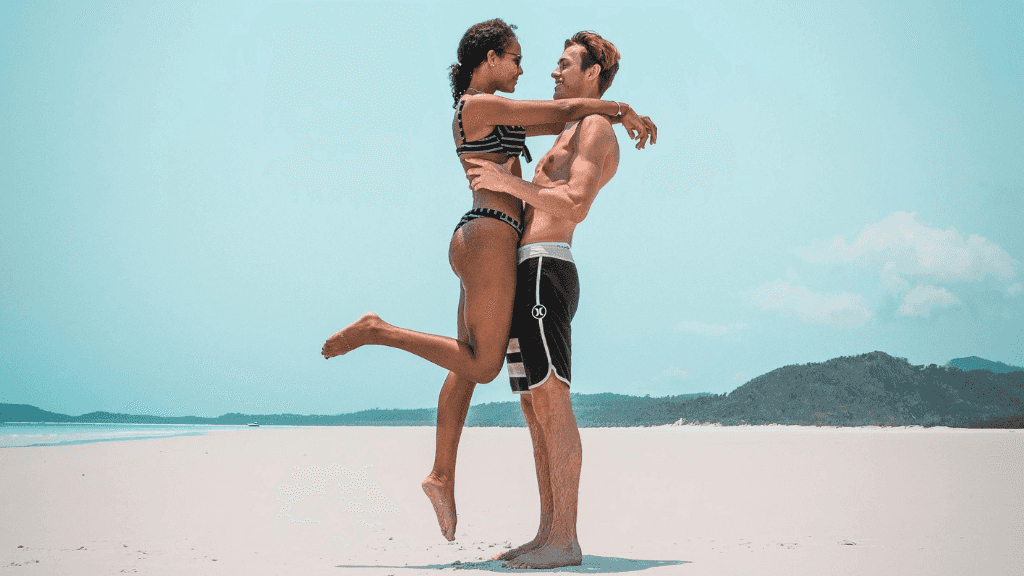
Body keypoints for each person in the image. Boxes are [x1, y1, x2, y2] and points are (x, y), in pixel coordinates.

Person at [320, 19, 654, 542]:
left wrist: (604, 111)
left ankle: (442, 476)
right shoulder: (478, 105)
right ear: (489, 57)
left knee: (467, 359)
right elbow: (565, 111)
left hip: (488, 238)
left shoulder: (505, 114)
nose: (529, 68)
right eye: (516, 57)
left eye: (552, 62)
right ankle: (378, 330)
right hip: (492, 236)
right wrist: (620, 108)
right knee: (482, 362)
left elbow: (564, 119)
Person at [463, 30, 653, 569]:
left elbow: (575, 202)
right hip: (528, 271)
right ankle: (546, 531)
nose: (554, 71)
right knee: (531, 406)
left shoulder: (592, 129)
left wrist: (509, 183)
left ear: (592, 73)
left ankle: (565, 539)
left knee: (551, 399)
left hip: (549, 266)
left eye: (566, 63)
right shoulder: (570, 126)